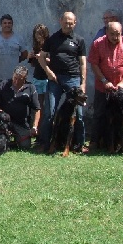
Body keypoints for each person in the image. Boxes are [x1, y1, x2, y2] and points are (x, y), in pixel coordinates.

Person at [38, 12, 87, 152]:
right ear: (60, 21)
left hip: (73, 79)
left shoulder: (79, 40)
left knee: (78, 113)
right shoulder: (52, 39)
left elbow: (83, 63)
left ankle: (79, 144)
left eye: (71, 22)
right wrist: (48, 72)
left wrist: (82, 83)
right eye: (66, 22)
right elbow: (41, 57)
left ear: (75, 23)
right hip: (55, 80)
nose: (68, 25)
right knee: (49, 112)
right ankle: (44, 143)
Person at [0, 65, 40, 149]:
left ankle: (15, 141)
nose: (16, 81)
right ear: (12, 75)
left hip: (21, 123)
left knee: (25, 146)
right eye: (15, 78)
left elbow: (37, 109)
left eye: (19, 79)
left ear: (25, 78)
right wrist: (0, 114)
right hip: (5, 122)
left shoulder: (30, 88)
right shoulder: (4, 84)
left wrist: (34, 127)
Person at [0, 14, 28, 92]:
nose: (7, 25)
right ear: (1, 24)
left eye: (9, 23)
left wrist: (15, 60)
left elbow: (25, 54)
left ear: (12, 24)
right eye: (5, 23)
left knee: (11, 101)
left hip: (13, 77)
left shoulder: (18, 38)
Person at [28, 23, 50, 120]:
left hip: (47, 78)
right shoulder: (35, 47)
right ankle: (38, 126)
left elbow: (52, 61)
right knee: (38, 104)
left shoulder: (49, 46)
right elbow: (32, 64)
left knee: (49, 104)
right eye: (36, 34)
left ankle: (47, 125)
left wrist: (43, 58)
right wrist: (31, 56)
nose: (38, 36)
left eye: (40, 34)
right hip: (37, 77)